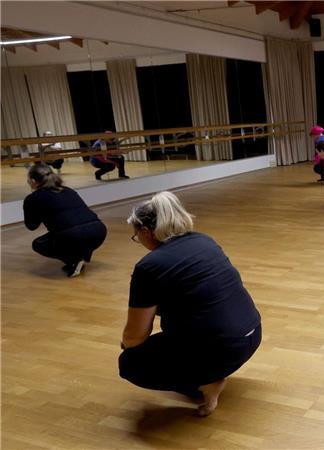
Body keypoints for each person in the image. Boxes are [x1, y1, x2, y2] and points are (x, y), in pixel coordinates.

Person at [118, 191, 262, 417]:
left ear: (146, 232)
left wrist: (128, 345)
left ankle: (207, 383)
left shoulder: (149, 267)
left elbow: (134, 336)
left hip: (223, 350)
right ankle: (208, 372)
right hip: (251, 336)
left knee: (129, 362)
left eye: (136, 235)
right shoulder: (204, 240)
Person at [23, 164, 107, 277]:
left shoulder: (33, 198)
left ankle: (74, 260)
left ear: (33, 181)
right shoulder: (68, 190)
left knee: (38, 244)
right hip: (99, 231)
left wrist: (35, 210)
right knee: (69, 233)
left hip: (73, 235)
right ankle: (81, 256)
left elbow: (31, 226)